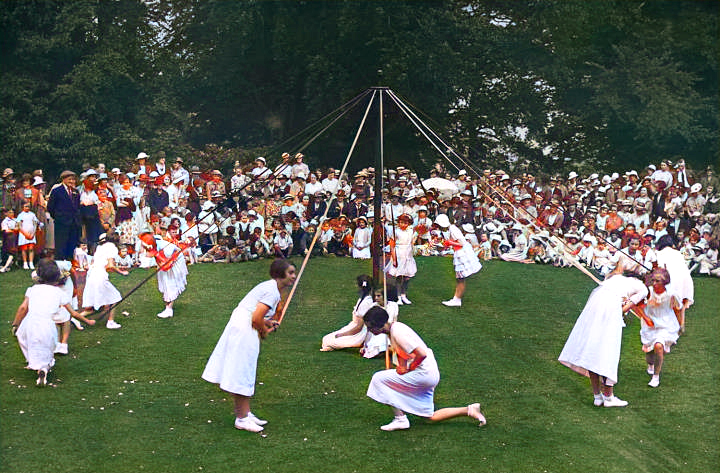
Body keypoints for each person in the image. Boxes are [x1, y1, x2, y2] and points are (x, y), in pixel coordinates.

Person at [202, 259, 296, 433]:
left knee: (244, 369)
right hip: (244, 328)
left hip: (242, 324)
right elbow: (254, 318)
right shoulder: (272, 292)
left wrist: (267, 323)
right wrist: (263, 331)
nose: (293, 277)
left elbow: (255, 313)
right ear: (280, 274)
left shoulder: (269, 287)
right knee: (243, 370)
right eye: (290, 273)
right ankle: (242, 418)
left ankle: (245, 413)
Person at [364, 306, 486, 431]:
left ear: (380, 325)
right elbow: (403, 352)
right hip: (429, 373)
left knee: (379, 379)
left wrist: (409, 368)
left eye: (370, 327)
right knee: (429, 417)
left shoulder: (398, 333)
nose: (369, 330)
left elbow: (421, 354)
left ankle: (400, 419)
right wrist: (402, 366)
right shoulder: (394, 329)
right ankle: (470, 410)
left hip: (423, 374)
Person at [558, 263, 648, 407]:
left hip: (594, 307)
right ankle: (609, 397)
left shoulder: (617, 279)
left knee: (593, 348)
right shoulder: (643, 288)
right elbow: (626, 308)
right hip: (609, 310)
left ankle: (597, 396)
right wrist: (620, 311)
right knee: (608, 350)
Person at [11, 259, 87, 386]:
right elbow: (73, 313)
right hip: (47, 323)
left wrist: (15, 324)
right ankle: (44, 368)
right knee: (48, 346)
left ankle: (32, 361)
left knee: (24, 338)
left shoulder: (33, 289)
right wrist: (88, 321)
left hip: (30, 321)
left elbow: (23, 308)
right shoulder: (59, 292)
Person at [639, 268, 683, 388]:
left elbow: (678, 309)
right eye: (653, 280)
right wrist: (645, 317)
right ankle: (651, 365)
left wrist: (681, 324)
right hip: (650, 324)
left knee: (659, 346)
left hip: (666, 324)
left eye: (658, 281)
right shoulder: (647, 291)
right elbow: (638, 306)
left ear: (665, 282)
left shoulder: (671, 294)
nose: (654, 283)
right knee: (649, 355)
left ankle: (656, 376)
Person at [81, 231, 128, 329]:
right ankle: (110, 322)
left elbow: (100, 264)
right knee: (115, 297)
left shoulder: (100, 247)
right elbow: (110, 265)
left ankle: (76, 318)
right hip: (99, 276)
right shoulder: (112, 248)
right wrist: (121, 272)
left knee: (95, 306)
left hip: (91, 275)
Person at [435, 213, 482, 307]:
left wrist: (448, 242)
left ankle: (457, 299)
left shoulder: (453, 229)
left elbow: (461, 243)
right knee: (460, 278)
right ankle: (456, 298)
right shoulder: (449, 229)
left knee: (460, 278)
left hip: (462, 253)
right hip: (459, 252)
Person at [138, 232, 188, 318]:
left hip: (174, 262)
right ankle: (168, 306)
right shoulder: (155, 244)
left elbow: (166, 266)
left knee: (169, 283)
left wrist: (156, 255)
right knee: (164, 282)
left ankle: (169, 309)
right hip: (164, 261)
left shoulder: (167, 248)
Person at [320, 275, 374, 351]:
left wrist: (342, 334)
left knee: (327, 340)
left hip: (358, 332)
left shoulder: (365, 303)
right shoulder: (363, 299)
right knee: (326, 339)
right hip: (354, 327)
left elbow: (359, 327)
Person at [47, 170, 81, 261]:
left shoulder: (75, 192)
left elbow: (77, 207)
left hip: (73, 223)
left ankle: (71, 262)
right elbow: (50, 207)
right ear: (64, 179)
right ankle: (61, 263)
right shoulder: (57, 191)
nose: (72, 182)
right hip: (61, 223)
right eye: (70, 179)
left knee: (72, 243)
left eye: (73, 180)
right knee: (61, 244)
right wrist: (59, 217)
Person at [386, 213, 417, 304]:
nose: (403, 225)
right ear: (398, 223)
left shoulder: (410, 231)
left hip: (408, 254)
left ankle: (404, 295)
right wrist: (394, 259)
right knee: (399, 276)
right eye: (401, 222)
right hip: (399, 254)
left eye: (406, 223)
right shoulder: (395, 232)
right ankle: (398, 296)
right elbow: (392, 246)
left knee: (407, 277)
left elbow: (412, 242)